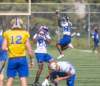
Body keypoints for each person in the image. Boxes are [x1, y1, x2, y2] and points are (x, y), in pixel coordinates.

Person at [2, 17, 34, 86]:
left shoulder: (7, 33)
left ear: (12, 24)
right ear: (21, 24)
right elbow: (30, 50)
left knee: (10, 78)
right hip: (22, 59)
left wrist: (10, 49)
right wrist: (31, 60)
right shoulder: (25, 33)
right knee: (23, 78)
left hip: (12, 59)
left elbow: (3, 48)